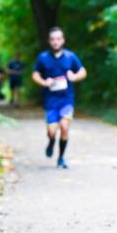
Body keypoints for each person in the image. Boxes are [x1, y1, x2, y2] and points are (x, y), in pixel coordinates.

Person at [32, 27, 86, 169]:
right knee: (51, 131)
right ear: (49, 41)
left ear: (63, 40)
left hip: (66, 99)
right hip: (50, 100)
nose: (55, 42)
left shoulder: (70, 56)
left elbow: (82, 71)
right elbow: (35, 74)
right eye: (53, 39)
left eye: (58, 39)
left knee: (64, 127)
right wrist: (44, 82)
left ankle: (61, 158)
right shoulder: (43, 57)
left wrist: (75, 77)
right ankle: (51, 141)